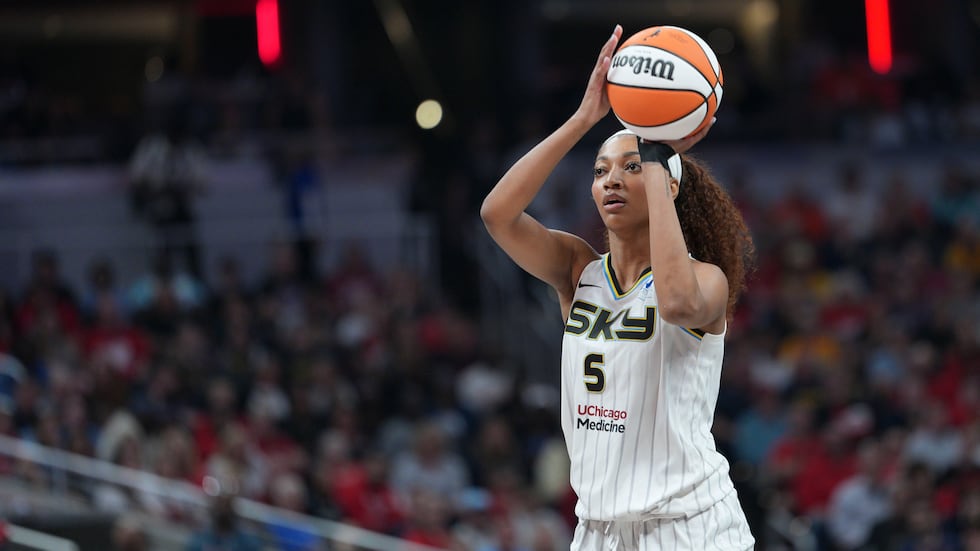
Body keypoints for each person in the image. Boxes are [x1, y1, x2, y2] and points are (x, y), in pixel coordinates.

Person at [480, 25, 756, 550]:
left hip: (690, 524)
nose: (611, 179)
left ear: (665, 183)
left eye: (631, 167)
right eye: (600, 169)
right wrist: (584, 119)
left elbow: (674, 304)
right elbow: (496, 214)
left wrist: (656, 151)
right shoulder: (577, 269)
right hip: (599, 529)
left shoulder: (706, 279)